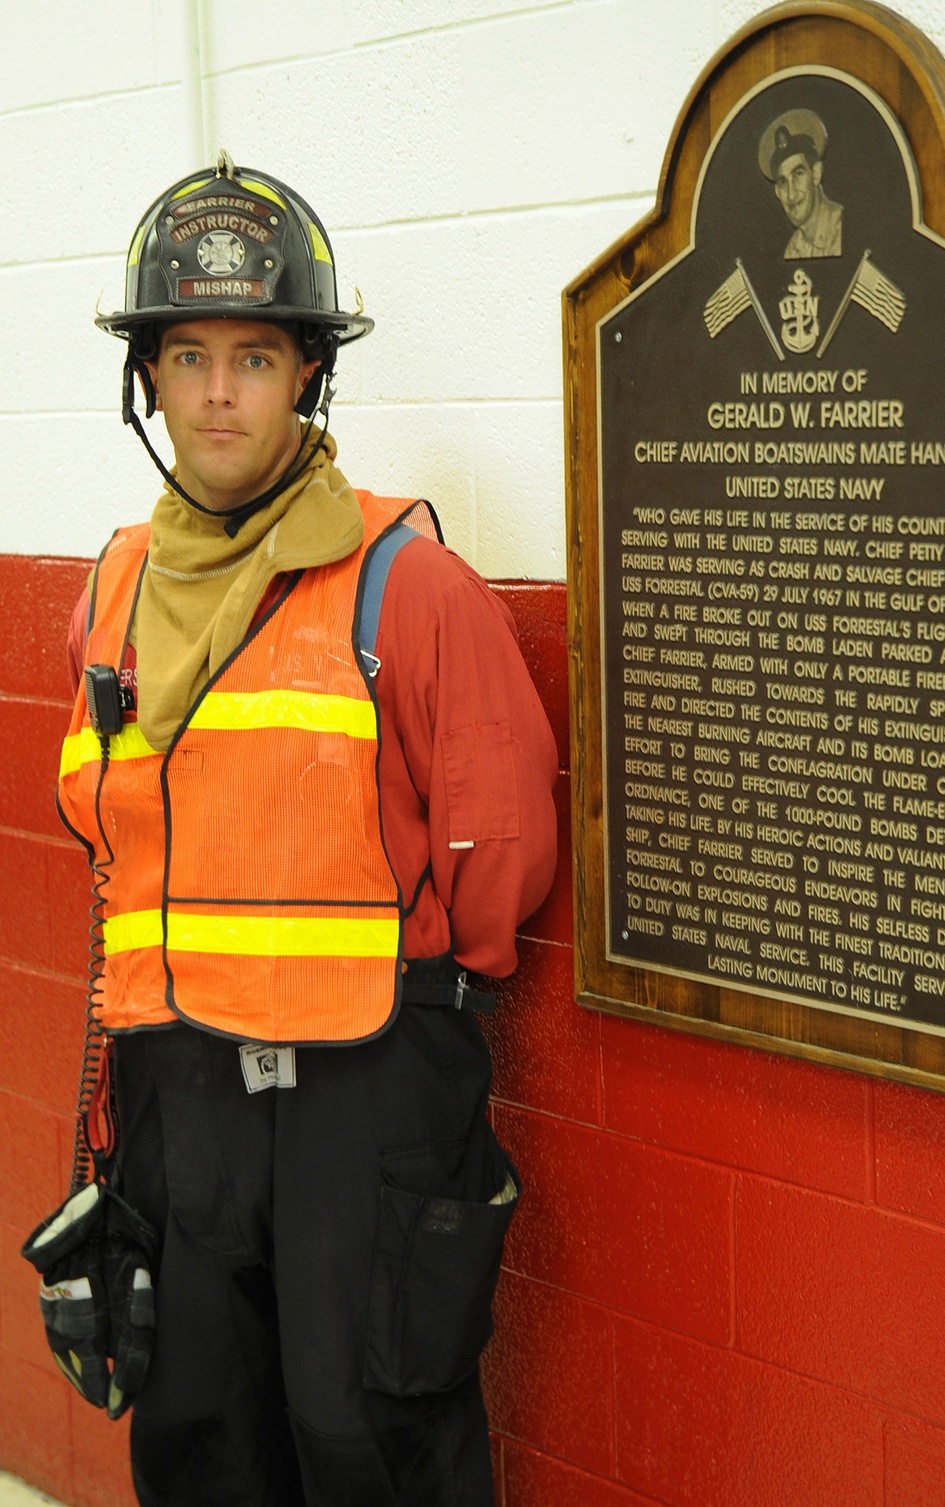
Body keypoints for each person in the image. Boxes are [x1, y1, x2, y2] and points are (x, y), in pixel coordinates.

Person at [55, 153, 558, 1506]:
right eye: (191, 354)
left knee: (369, 1433)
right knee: (201, 1429)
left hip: (364, 1090)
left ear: (309, 378)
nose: (220, 393)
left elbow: (502, 847)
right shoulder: (109, 589)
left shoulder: (410, 581)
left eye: (259, 357)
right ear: (148, 379)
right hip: (175, 1092)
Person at [760, 113, 843, 259]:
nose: (791, 194)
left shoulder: (843, 230)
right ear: (777, 192)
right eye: (783, 182)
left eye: (798, 174)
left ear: (816, 174)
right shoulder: (794, 248)